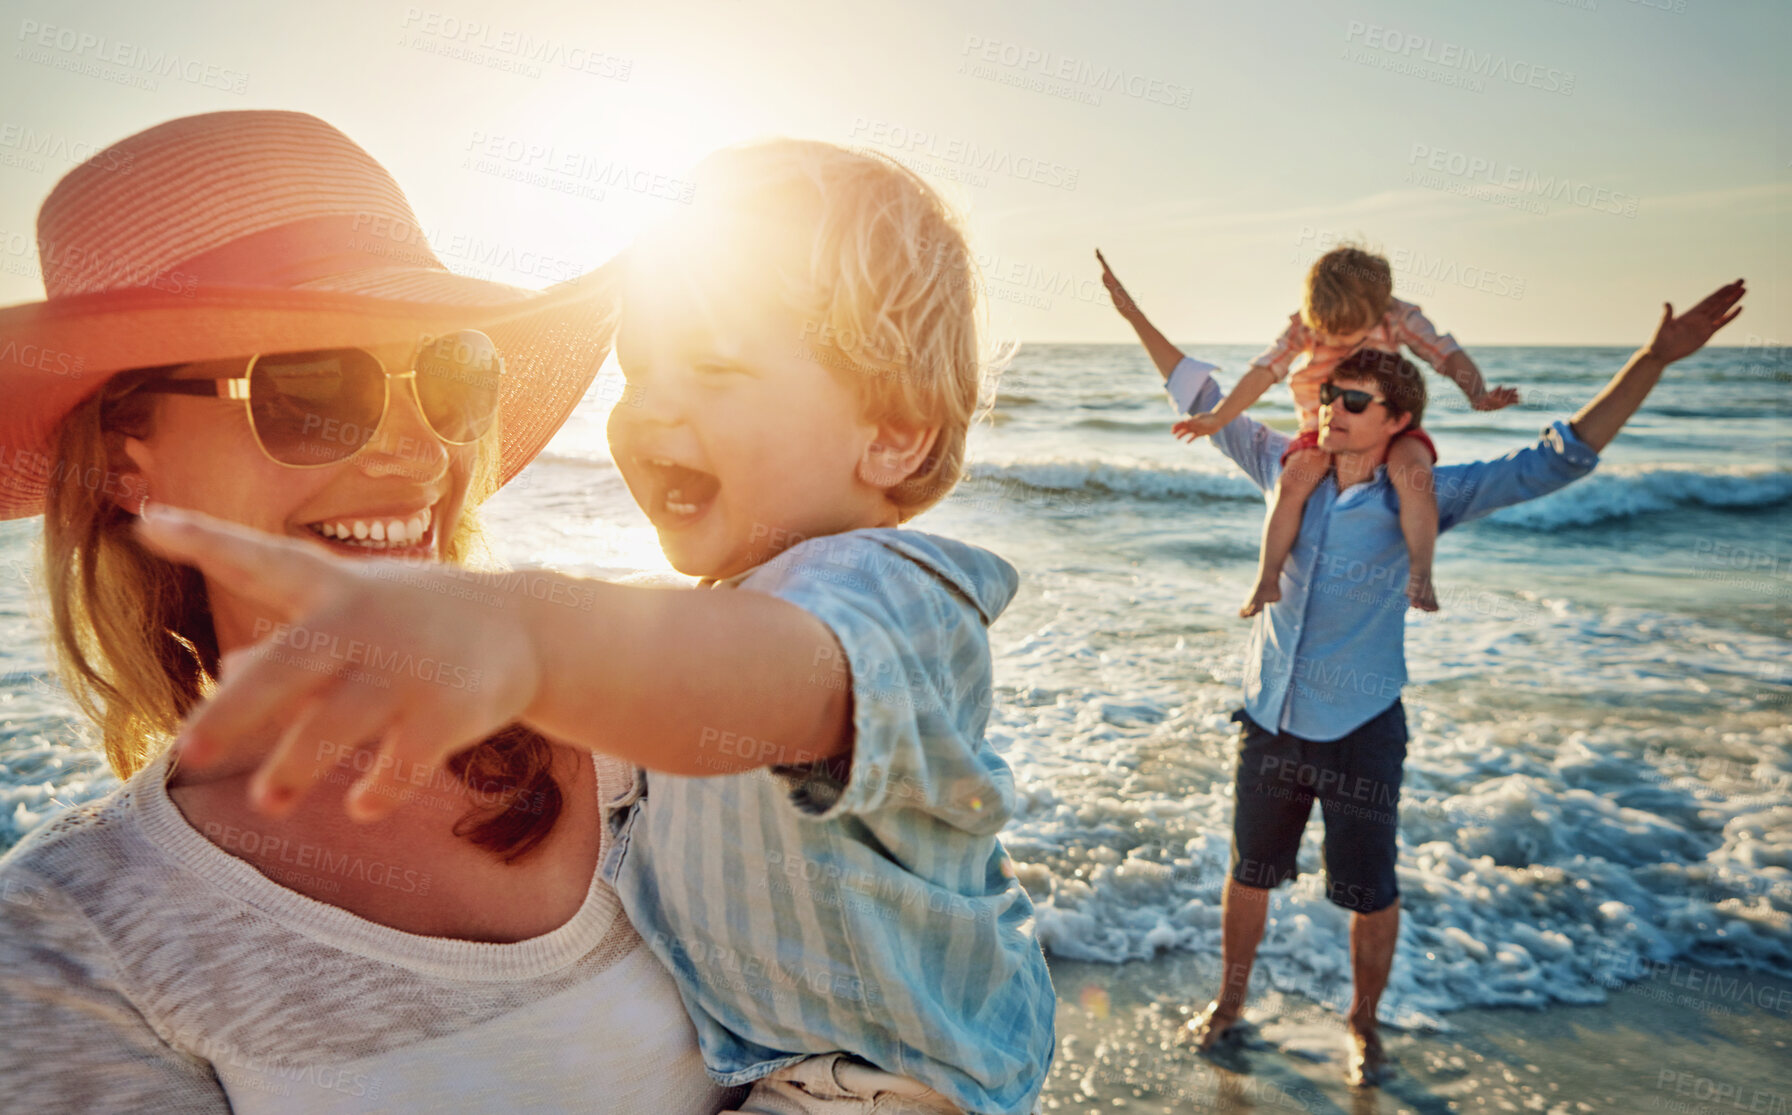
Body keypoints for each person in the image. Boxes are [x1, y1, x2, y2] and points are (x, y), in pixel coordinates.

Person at [128, 139, 1057, 1114]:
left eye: (712, 366)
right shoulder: (737, 603)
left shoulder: (894, 591)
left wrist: (529, 634)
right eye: (634, 373)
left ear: (893, 430)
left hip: (895, 1082)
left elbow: (776, 677)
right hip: (775, 1068)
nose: (650, 411)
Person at [0, 110, 736, 1113]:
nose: (417, 452)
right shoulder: (65, 938)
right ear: (131, 462)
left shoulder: (664, 705)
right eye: (313, 390)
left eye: (448, 380)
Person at [1097, 252, 1744, 1087]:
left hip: (1362, 728)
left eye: (1352, 402)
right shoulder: (1280, 468)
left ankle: (1363, 1022)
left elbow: (1554, 459)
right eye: (1328, 394)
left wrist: (1649, 361)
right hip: (1269, 718)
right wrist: (1130, 312)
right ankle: (1229, 1003)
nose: (1329, 407)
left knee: (1368, 890)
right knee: (1249, 871)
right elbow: (1198, 391)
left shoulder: (1425, 491)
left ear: (1396, 420)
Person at [1152, 244, 1519, 616]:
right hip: (1322, 424)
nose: (1338, 339)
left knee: (1414, 474)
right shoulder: (1305, 324)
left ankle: (1421, 573)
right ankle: (1267, 578)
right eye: (1330, 331)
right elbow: (1266, 370)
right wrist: (1219, 417)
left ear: (1378, 308)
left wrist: (1477, 393)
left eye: (1350, 330)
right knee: (1293, 480)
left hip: (1384, 419)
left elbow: (1444, 353)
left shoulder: (1397, 316)